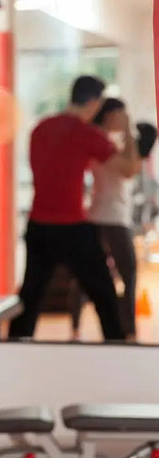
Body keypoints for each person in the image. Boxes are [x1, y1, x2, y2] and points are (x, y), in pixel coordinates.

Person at [8, 75, 140, 341]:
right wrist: (127, 129)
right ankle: (118, 347)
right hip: (72, 228)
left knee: (29, 300)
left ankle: (13, 349)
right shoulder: (86, 134)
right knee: (104, 296)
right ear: (93, 102)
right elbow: (128, 169)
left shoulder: (40, 128)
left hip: (38, 225)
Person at [71, 98, 155, 341]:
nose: (124, 118)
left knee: (91, 274)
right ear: (110, 115)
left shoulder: (108, 141)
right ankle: (128, 332)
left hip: (107, 215)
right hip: (110, 218)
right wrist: (129, 129)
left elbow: (134, 165)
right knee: (126, 273)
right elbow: (130, 168)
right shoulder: (100, 141)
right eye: (121, 114)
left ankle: (81, 329)